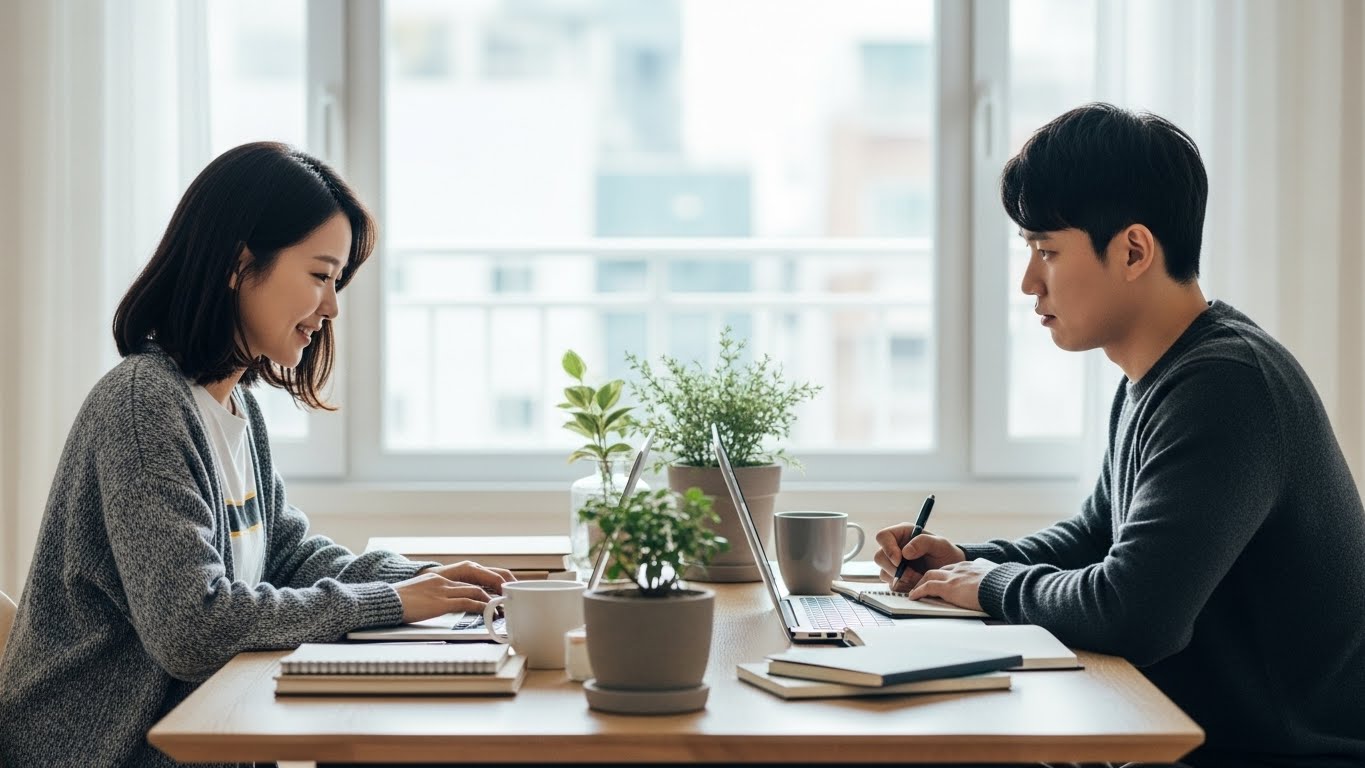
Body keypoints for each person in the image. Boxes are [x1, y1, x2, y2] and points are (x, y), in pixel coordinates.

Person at [874, 104, 1365, 768]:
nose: (1028, 282)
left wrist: (988, 583)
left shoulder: (1225, 385)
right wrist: (966, 558)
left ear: (1132, 249)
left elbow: (1134, 613)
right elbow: (1099, 534)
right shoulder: (1160, 374)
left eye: (1046, 251)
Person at [0, 142, 513, 768]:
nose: (331, 308)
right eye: (321, 276)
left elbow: (286, 555)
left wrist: (419, 580)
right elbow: (193, 627)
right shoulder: (143, 406)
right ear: (240, 265)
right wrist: (396, 602)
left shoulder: (235, 407)